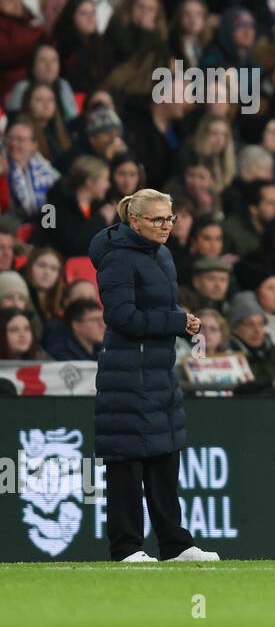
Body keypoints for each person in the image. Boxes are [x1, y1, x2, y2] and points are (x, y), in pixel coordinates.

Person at [90, 188, 217, 563]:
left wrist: (183, 321)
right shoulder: (116, 259)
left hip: (158, 369)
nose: (166, 226)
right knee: (126, 460)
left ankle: (176, 545)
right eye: (158, 219)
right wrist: (175, 321)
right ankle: (127, 547)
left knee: (164, 456)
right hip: (126, 373)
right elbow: (122, 317)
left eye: (170, 219)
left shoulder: (161, 255)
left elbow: (159, 310)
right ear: (135, 221)